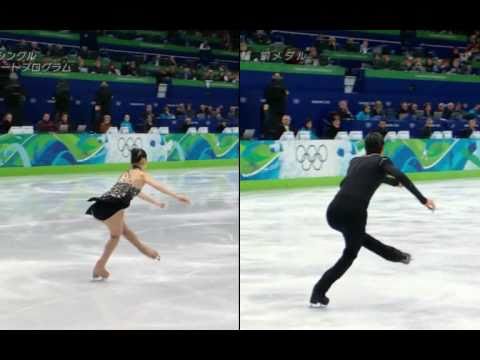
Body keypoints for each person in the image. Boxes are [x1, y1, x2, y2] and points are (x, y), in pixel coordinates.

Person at [310, 132, 435, 307]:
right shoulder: (382, 161)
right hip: (354, 213)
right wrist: (423, 200)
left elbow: (346, 182)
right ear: (382, 147)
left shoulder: (355, 162)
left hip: (333, 212)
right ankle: (318, 292)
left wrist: (390, 182)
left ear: (365, 147)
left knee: (360, 239)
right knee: (350, 253)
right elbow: (399, 175)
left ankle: (400, 256)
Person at [86, 148, 191, 280]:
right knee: (115, 236)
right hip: (112, 207)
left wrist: (156, 202)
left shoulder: (126, 173)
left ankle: (145, 250)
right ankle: (100, 266)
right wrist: (176, 196)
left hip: (102, 204)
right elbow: (158, 186)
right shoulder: (142, 174)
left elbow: (136, 192)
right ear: (143, 160)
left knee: (125, 231)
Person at [264, 73, 288, 137]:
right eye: (276, 76)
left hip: (280, 109)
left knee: (280, 126)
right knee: (272, 126)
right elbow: (267, 96)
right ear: (273, 77)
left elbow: (286, 93)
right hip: (272, 109)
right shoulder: (269, 85)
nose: (277, 77)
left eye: (278, 76)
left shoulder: (283, 85)